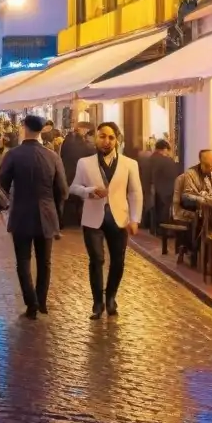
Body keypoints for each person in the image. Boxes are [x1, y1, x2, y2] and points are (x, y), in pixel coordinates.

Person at [69, 121, 143, 320]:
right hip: (93, 219)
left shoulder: (130, 164)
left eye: (111, 137)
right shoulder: (84, 163)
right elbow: (74, 187)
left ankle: (111, 297)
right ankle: (97, 303)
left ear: (117, 140)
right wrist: (89, 191)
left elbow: (136, 193)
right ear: (95, 138)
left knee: (118, 262)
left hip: (119, 219)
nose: (106, 141)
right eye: (102, 136)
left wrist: (135, 218)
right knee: (97, 260)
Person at [0, 114, 68, 320]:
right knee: (44, 261)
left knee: (23, 261)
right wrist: (56, 210)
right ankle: (42, 301)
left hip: (21, 213)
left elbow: (1, 185)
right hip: (46, 214)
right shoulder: (52, 156)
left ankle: (32, 304)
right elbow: (63, 190)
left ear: (25, 128)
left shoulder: (13, 155)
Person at [60, 122, 94, 229]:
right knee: (80, 199)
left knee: (68, 199)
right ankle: (79, 221)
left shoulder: (67, 141)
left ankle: (67, 221)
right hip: (80, 175)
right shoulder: (86, 146)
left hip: (67, 174)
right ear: (83, 130)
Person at [147, 139, 180, 233]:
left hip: (153, 189)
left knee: (155, 211)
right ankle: (163, 231)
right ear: (165, 149)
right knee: (164, 212)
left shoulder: (150, 159)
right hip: (166, 190)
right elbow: (174, 175)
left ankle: (154, 230)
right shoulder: (167, 161)